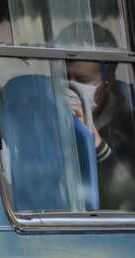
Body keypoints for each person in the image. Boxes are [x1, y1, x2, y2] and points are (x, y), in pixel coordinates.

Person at [58, 22, 135, 210]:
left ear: (108, 83)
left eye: (82, 80)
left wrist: (95, 143)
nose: (71, 86)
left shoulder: (128, 125)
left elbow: (126, 200)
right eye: (64, 77)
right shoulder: (45, 113)